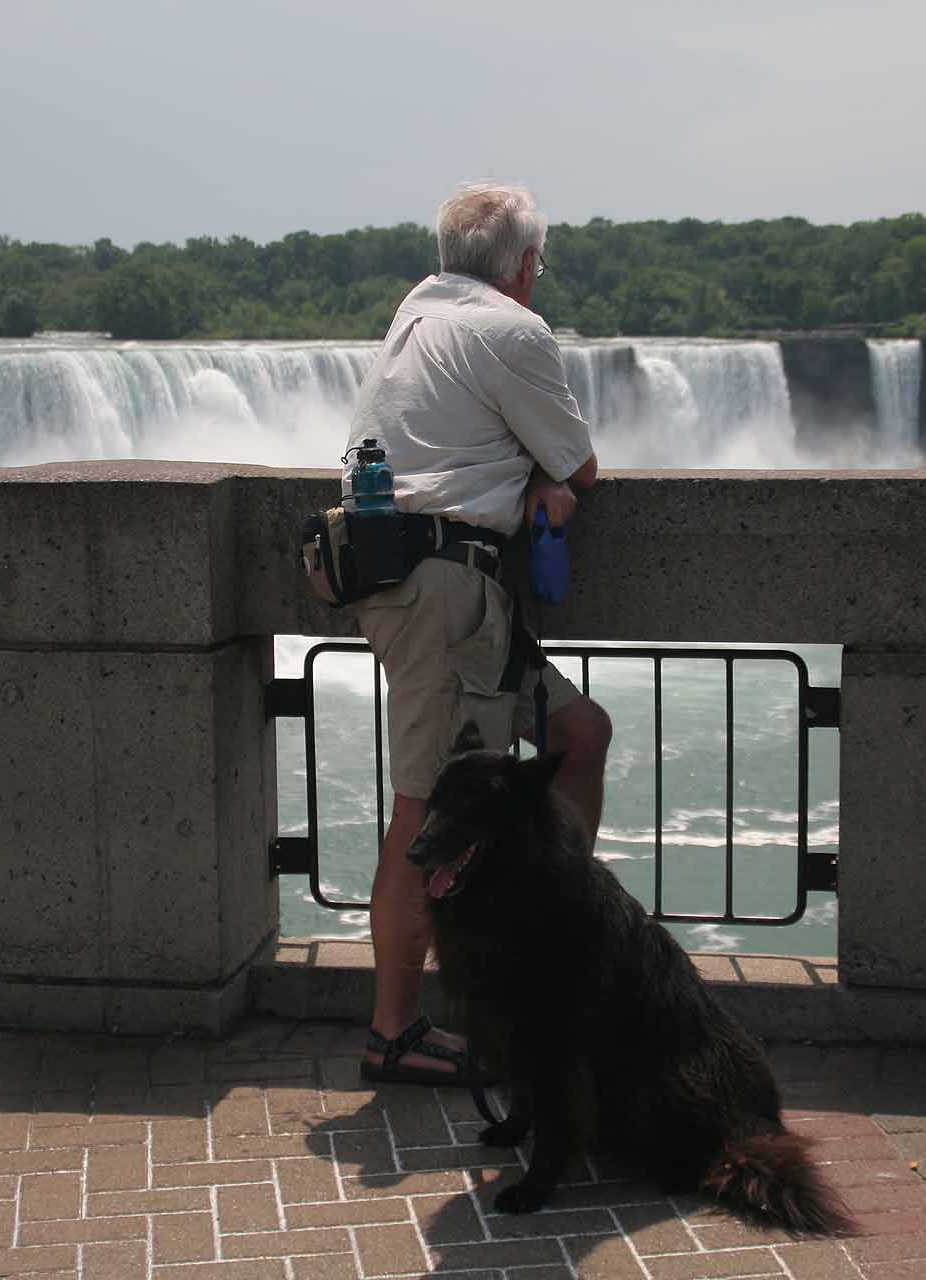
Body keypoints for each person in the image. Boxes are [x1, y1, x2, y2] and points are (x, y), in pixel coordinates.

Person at [347, 181, 612, 1086]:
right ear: (526, 265)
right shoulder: (511, 328)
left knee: (578, 735)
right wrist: (553, 485)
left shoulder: (415, 312)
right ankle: (395, 1031)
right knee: (428, 813)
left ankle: (557, 940)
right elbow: (578, 462)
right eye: (540, 262)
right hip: (444, 594)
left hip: (435, 586)